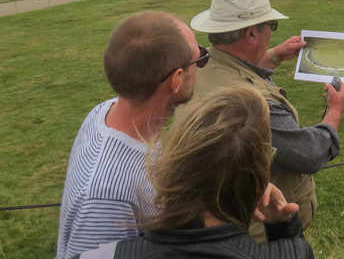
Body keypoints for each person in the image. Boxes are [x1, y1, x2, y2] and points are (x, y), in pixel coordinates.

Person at [183, 0, 344, 243]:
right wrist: (335, 109)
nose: (271, 33)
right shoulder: (253, 104)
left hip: (217, 214)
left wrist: (273, 56)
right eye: (270, 26)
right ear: (251, 34)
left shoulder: (198, 67)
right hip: (258, 233)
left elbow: (236, 68)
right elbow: (310, 153)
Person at [74, 86, 313, 259]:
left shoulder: (101, 255)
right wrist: (282, 229)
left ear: (178, 161)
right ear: (257, 181)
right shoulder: (294, 252)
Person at [57, 12, 208, 259]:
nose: (202, 64)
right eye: (199, 59)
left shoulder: (104, 112)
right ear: (177, 80)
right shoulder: (106, 198)